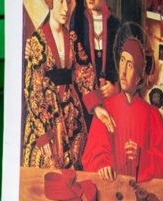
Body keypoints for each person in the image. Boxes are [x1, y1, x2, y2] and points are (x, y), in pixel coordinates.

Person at [81, 37, 163, 182]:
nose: (122, 72)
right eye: (122, 61)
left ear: (138, 78)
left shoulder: (152, 115)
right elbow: (92, 154)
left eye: (129, 65)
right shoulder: (105, 109)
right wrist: (102, 164)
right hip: (111, 191)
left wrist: (142, 156)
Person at [22, 0, 98, 169]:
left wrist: (96, 106)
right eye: (61, 2)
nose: (66, 9)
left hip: (71, 114)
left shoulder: (71, 38)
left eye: (70, 3)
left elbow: (84, 70)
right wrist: (42, 136)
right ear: (50, 3)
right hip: (46, 116)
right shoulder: (37, 40)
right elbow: (33, 90)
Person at [72, 0, 121, 114]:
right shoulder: (78, 22)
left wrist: (117, 88)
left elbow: (125, 64)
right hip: (83, 99)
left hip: (110, 100)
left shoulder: (115, 24)